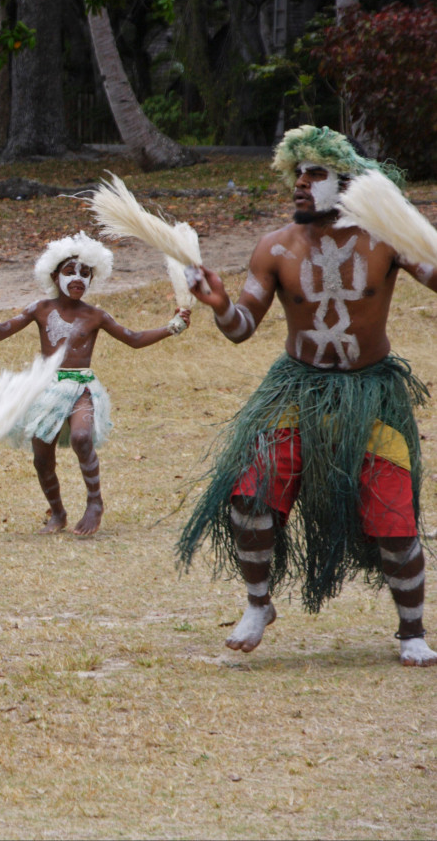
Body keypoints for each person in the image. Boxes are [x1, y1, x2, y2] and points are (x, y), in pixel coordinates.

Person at [179, 125, 437, 666]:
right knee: (250, 497)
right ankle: (258, 604)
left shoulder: (386, 238)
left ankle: (411, 631)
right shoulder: (275, 247)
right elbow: (242, 325)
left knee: (394, 523)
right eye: (296, 173)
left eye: (314, 173)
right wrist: (221, 304)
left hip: (371, 394)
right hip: (297, 390)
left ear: (345, 182)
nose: (300, 183)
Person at [0, 232, 190, 535]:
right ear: (54, 276)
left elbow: (133, 339)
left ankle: (95, 503)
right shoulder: (40, 309)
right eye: (70, 271)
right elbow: (0, 331)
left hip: (82, 386)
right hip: (46, 388)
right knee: (42, 457)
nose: (78, 278)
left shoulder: (95, 316)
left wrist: (171, 328)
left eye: (85, 273)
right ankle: (57, 513)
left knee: (82, 437)